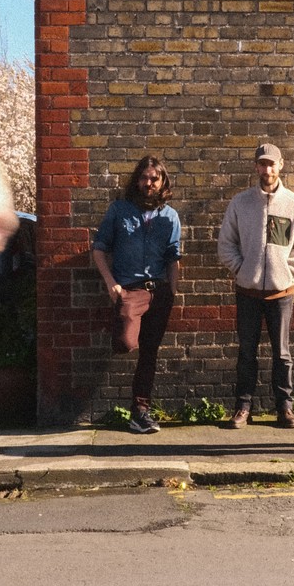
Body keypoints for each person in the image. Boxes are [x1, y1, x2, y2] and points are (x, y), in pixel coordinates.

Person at [217, 142, 294, 428]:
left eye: (272, 164)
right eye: (262, 164)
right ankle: (243, 407)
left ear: (280, 165)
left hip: (281, 293)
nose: (267, 169)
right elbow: (226, 244)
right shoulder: (241, 203)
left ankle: (285, 406)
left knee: (282, 354)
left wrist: (287, 272)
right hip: (247, 292)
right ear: (256, 166)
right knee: (247, 352)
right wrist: (243, 269)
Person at [92, 155, 181, 434]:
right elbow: (99, 249)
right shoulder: (119, 210)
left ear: (162, 181)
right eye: (144, 178)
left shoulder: (170, 216)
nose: (149, 183)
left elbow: (173, 257)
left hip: (159, 291)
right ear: (137, 180)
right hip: (129, 290)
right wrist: (111, 284)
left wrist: (173, 290)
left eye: (154, 178)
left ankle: (140, 411)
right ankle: (122, 328)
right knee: (125, 343)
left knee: (149, 353)